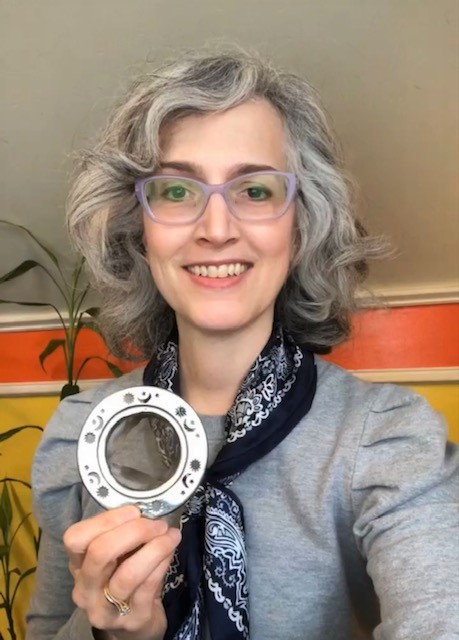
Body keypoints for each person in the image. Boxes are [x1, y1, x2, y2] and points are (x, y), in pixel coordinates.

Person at [26, 47, 459, 640]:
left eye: (255, 191)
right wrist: (115, 634)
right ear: (139, 228)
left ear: (302, 224)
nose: (216, 228)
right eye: (176, 192)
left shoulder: (386, 441)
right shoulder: (80, 436)